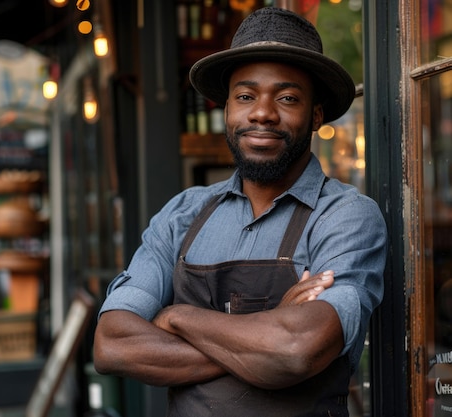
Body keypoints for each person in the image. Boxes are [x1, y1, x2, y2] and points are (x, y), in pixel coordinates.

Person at [93, 6, 387, 417]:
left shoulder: (345, 216)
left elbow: (296, 348)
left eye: (286, 98)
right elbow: (112, 345)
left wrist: (177, 317)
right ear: (227, 109)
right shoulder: (182, 213)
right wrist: (268, 332)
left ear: (316, 114)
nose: (262, 112)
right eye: (245, 96)